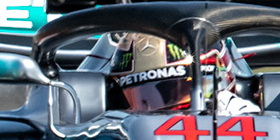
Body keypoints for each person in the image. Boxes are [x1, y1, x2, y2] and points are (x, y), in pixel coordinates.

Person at [101, 33, 260, 115]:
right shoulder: (115, 134)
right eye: (162, 93)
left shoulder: (246, 116)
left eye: (184, 92)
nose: (178, 113)